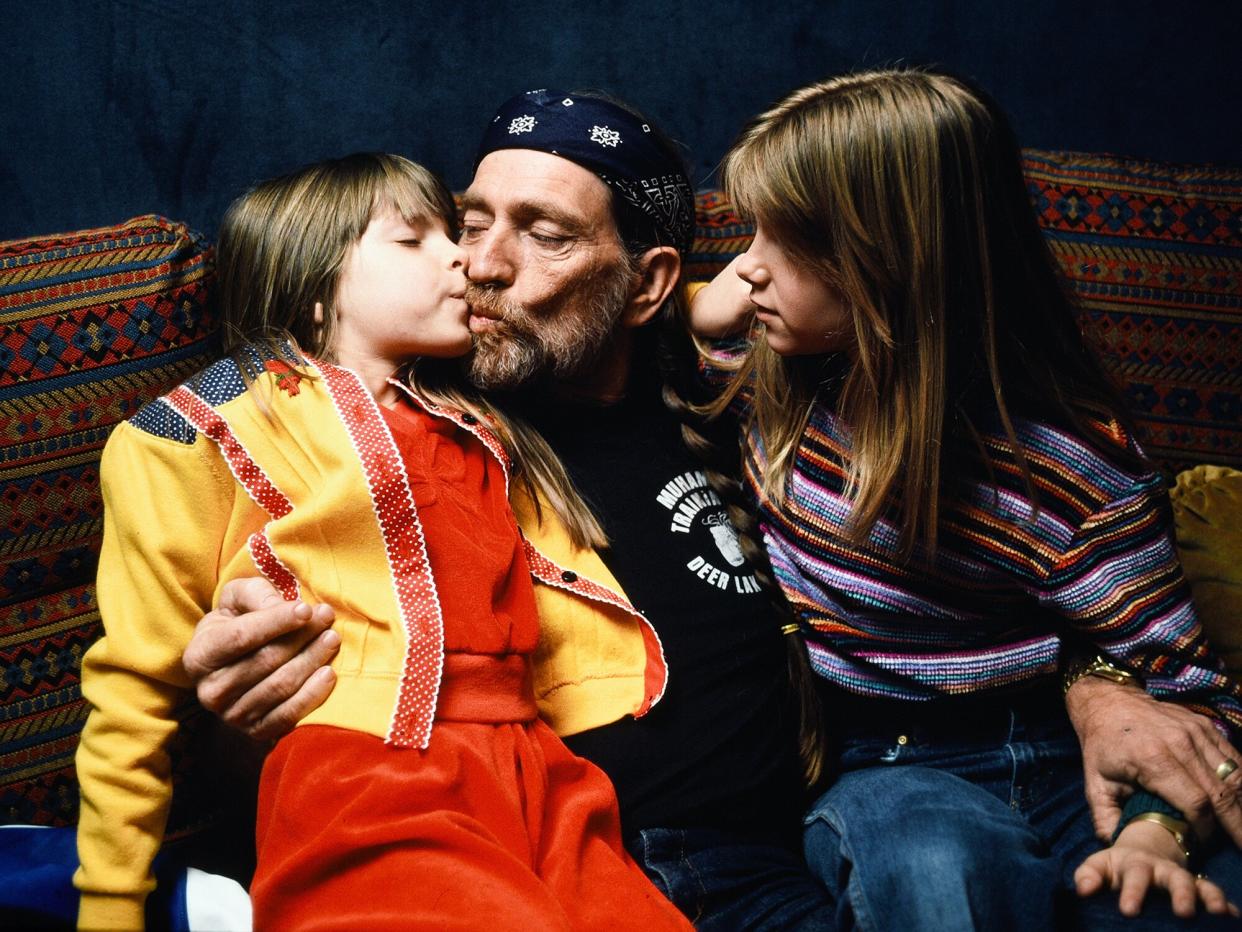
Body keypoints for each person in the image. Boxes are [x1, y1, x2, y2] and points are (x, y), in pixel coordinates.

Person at [180, 89, 1242, 929]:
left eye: (544, 233)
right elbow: (253, 458)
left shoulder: (751, 390)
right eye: (467, 222)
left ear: (645, 288)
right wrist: (236, 707)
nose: (482, 265)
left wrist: (1097, 679)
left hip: (856, 805)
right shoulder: (407, 442)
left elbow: (958, 542)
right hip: (641, 858)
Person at [73, 152, 689, 931]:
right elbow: (132, 691)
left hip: (541, 773)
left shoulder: (481, 417)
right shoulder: (201, 432)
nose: (465, 258)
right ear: (317, 287)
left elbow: (638, 315)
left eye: (450, 233)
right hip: (369, 773)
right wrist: (108, 906)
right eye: (415, 241)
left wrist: (709, 303)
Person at [688, 68, 1242, 929]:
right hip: (888, 765)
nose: (747, 266)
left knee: (1161, 903)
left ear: (891, 261)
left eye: (785, 239)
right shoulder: (766, 383)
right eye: (747, 232)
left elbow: (1193, 693)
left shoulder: (1065, 469)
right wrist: (701, 309)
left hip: (1063, 759)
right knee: (937, 875)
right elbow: (621, 328)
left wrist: (1155, 835)